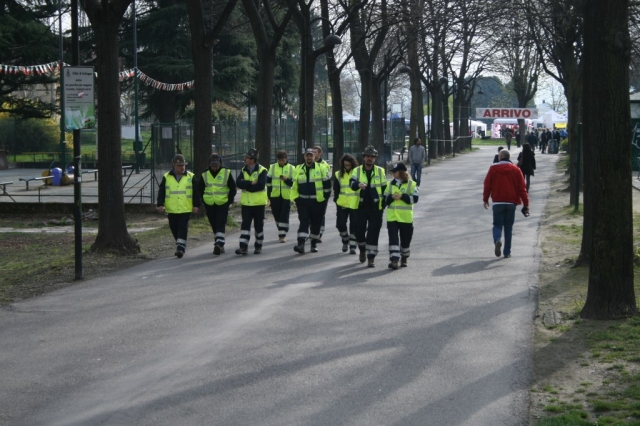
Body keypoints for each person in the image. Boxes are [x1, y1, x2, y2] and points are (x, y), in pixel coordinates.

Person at [483, 149, 530, 258]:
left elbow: (487, 185)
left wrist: (485, 199)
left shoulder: (493, 168)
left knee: (497, 225)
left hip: (498, 202)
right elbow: (522, 188)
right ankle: (507, 252)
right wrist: (526, 204)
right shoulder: (516, 169)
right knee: (508, 227)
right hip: (511, 202)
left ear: (500, 157)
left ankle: (497, 239)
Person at [350, 145, 387, 267]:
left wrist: (385, 203)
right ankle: (362, 249)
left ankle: (371, 257)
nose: (370, 159)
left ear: (375, 159)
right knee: (359, 231)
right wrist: (357, 185)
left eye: (372, 157)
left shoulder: (380, 171)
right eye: (368, 156)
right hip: (360, 207)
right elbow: (352, 183)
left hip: (376, 208)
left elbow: (385, 188)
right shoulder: (357, 170)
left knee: (373, 232)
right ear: (364, 158)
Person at [156, 154, 200, 258]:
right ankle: (181, 243)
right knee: (173, 227)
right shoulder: (167, 177)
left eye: (183, 165)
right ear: (174, 166)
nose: (182, 167)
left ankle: (180, 248)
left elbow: (196, 193)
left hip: (185, 207)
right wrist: (160, 204)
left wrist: (196, 205)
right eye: (179, 165)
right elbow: (161, 191)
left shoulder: (191, 176)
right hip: (172, 209)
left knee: (182, 227)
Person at [290, 148, 331, 254]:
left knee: (316, 223)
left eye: (311, 155)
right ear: (304, 157)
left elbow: (327, 185)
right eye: (307, 155)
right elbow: (294, 184)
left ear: (314, 157)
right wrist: (297, 199)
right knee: (303, 222)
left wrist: (324, 200)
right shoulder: (298, 168)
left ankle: (313, 244)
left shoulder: (321, 168)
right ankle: (301, 244)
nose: (309, 157)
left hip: (318, 202)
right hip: (302, 201)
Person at [198, 153, 236, 255]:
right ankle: (219, 243)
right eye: (213, 166)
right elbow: (200, 188)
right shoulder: (205, 174)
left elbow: (233, 187)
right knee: (214, 223)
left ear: (220, 164)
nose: (215, 168)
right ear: (209, 165)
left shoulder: (226, 173)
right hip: (209, 203)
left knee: (220, 222)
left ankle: (219, 243)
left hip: (223, 202)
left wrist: (230, 200)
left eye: (216, 165)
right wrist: (203, 200)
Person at [384, 162, 419, 270]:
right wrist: (391, 197)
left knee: (405, 240)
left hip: (406, 218)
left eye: (395, 172)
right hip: (392, 217)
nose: (393, 174)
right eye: (393, 172)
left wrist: (403, 196)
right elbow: (384, 199)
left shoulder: (412, 184)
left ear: (401, 172)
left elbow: (415, 199)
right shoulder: (389, 184)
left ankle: (404, 257)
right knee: (393, 239)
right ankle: (394, 259)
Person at [235, 148, 268, 255]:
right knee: (245, 226)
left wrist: (246, 185)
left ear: (252, 160)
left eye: (247, 157)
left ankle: (258, 246)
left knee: (259, 226)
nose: (244, 159)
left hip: (258, 204)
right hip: (246, 204)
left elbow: (260, 185)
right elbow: (238, 183)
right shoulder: (243, 169)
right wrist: (250, 183)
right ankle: (243, 247)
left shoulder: (262, 170)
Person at [333, 154, 359, 254]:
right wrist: (336, 199)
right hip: (342, 203)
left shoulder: (357, 173)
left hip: (354, 203)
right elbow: (336, 189)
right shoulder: (338, 174)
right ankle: (345, 239)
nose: (347, 167)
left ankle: (352, 245)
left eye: (349, 165)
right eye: (345, 165)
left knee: (354, 225)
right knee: (340, 224)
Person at [267, 150, 294, 243]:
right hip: (275, 195)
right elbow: (268, 182)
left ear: (286, 159)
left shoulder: (291, 168)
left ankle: (282, 234)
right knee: (276, 215)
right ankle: (282, 228)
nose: (281, 161)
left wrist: (286, 180)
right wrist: (269, 196)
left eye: (283, 160)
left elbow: (293, 184)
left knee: (284, 215)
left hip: (286, 196)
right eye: (279, 160)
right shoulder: (272, 167)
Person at [313, 146, 331, 242]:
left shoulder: (324, 165)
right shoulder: (309, 163)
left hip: (321, 193)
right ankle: (313, 232)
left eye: (315, 152)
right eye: (312, 152)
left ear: (320, 153)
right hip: (311, 193)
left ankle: (319, 233)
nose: (313, 154)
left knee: (320, 214)